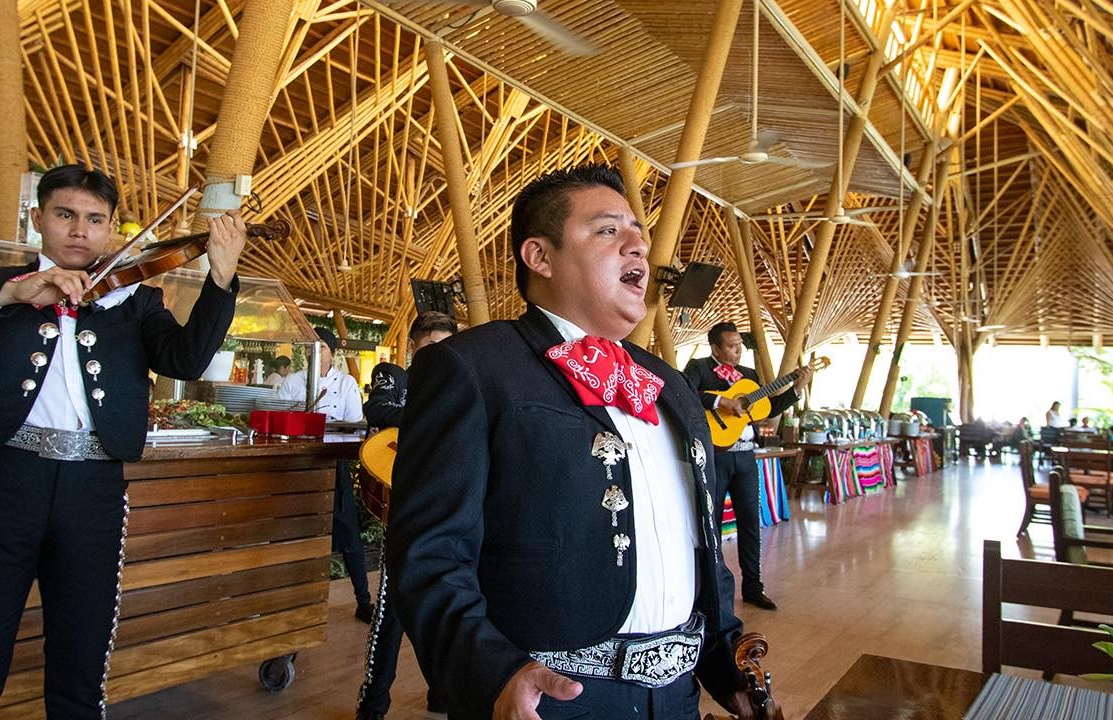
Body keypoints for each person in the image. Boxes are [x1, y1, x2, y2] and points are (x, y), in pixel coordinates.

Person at [0, 164, 244, 719]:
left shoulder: (136, 301)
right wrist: (11, 294)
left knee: (82, 648)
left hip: (93, 489)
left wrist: (220, 280)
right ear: (38, 217)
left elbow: (185, 360)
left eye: (96, 220)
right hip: (6, 480)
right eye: (66, 214)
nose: (80, 230)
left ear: (112, 229)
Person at [387, 165, 758, 720]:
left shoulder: (671, 385)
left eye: (638, 229)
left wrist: (724, 660)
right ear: (539, 256)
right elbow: (428, 553)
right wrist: (493, 675)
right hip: (550, 699)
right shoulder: (471, 367)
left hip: (679, 697)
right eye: (609, 230)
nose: (638, 243)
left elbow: (698, 541)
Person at [356, 310, 458, 720]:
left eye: (447, 347)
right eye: (431, 348)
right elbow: (378, 411)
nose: (440, 356)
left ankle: (442, 696)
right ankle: (373, 705)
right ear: (414, 348)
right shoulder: (393, 376)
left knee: (448, 608)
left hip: (449, 511)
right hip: (404, 510)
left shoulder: (461, 387)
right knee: (391, 610)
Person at [682, 322, 810, 611]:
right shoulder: (699, 367)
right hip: (715, 455)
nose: (738, 350)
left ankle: (754, 586)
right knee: (709, 522)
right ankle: (709, 588)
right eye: (731, 345)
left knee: (751, 522)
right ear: (715, 347)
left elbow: (768, 409)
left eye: (739, 345)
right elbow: (685, 393)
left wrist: (796, 390)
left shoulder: (749, 376)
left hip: (746, 457)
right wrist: (719, 401)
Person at [275, 327, 372, 620]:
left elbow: (355, 424)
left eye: (321, 348)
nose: (314, 353)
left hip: (333, 462)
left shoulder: (346, 384)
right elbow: (280, 415)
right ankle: (291, 602)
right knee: (295, 530)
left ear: (332, 352)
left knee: (348, 532)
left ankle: (363, 600)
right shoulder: (292, 381)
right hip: (297, 464)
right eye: (310, 348)